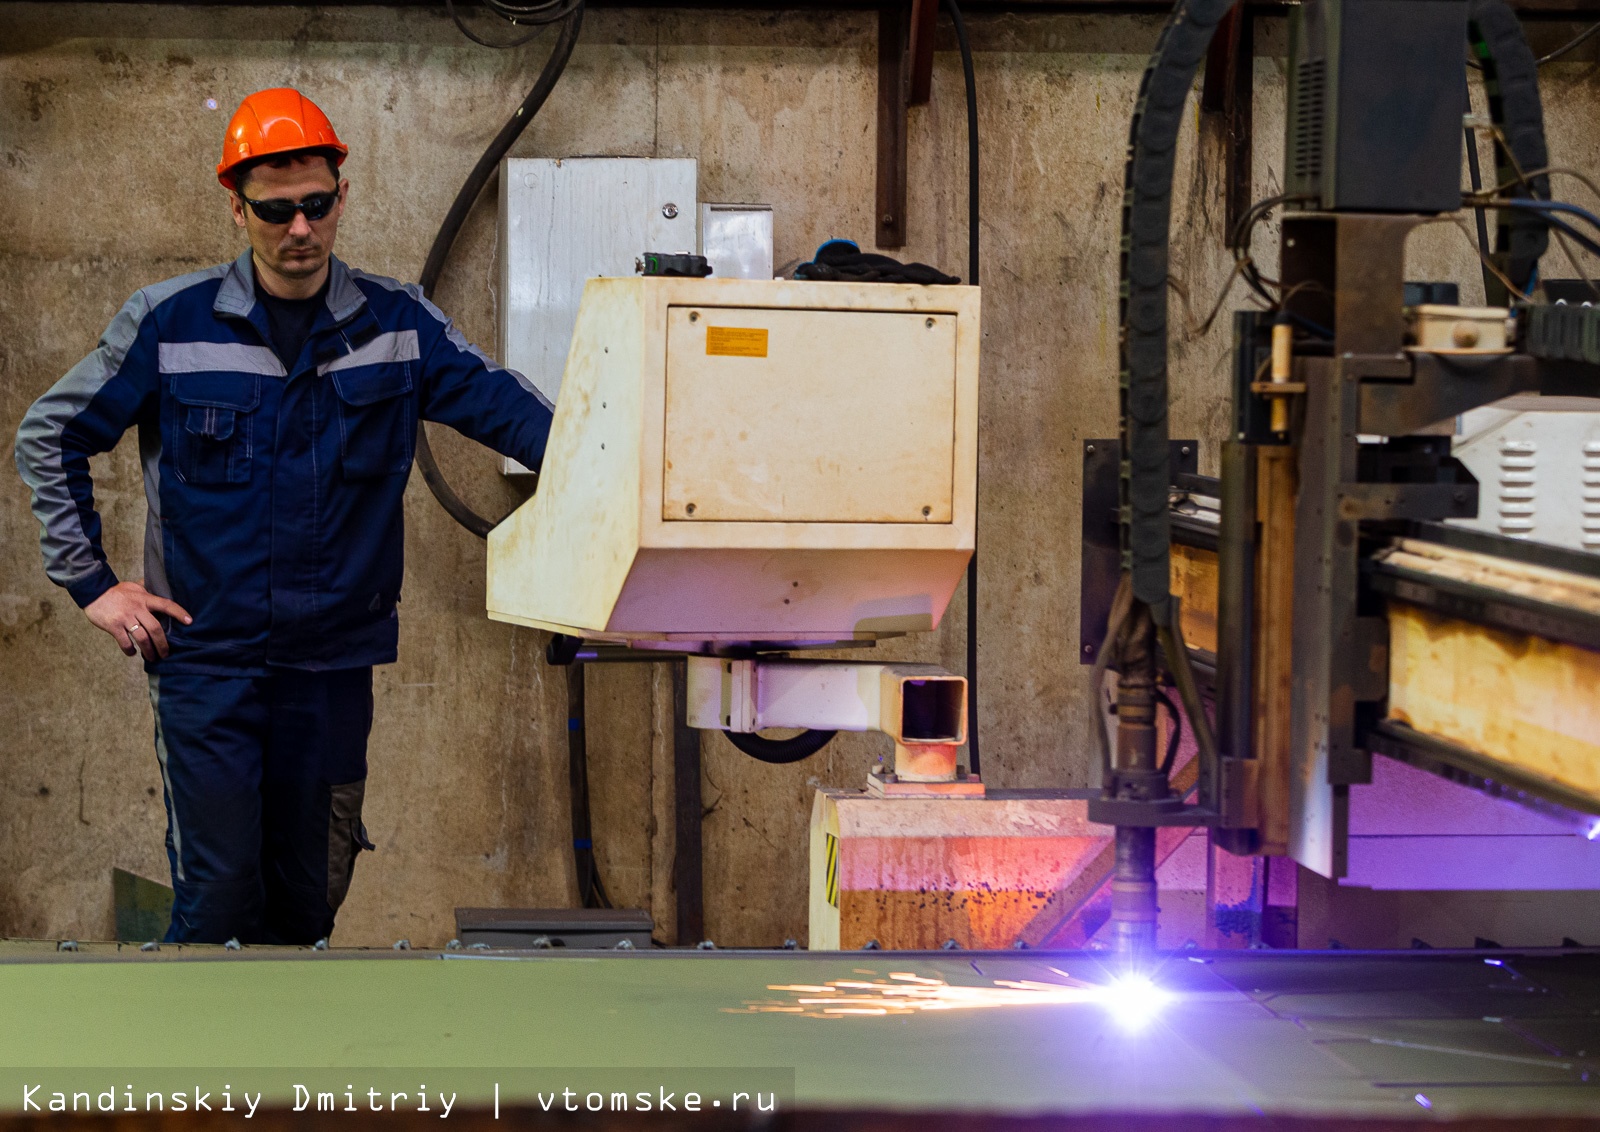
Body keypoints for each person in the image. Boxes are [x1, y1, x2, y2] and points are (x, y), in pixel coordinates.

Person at [14, 88, 553, 945]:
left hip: (332, 670)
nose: (299, 230)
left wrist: (618, 465)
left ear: (342, 198)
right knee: (220, 902)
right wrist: (92, 585)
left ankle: (286, 1080)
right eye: (275, 211)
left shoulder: (398, 327)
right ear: (237, 208)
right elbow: (49, 434)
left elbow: (519, 414)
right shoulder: (170, 324)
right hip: (207, 665)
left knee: (310, 904)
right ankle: (210, 1078)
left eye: (316, 206)